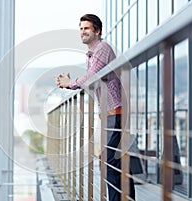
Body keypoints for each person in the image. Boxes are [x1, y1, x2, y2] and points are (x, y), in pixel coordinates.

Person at [55, 14, 135, 200]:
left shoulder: (102, 48)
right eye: (81, 28)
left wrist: (70, 83)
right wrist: (69, 82)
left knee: (109, 162)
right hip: (109, 113)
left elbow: (91, 77)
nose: (82, 32)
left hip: (116, 111)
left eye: (87, 28)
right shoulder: (92, 53)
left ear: (97, 31)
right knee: (116, 161)